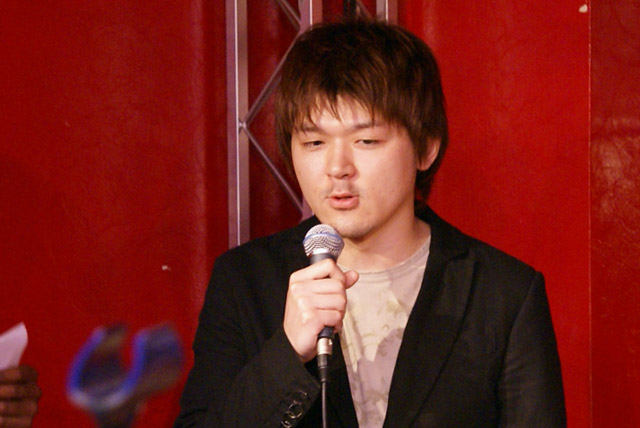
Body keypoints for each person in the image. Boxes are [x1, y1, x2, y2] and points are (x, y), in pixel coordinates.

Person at [174, 19, 566, 428]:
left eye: (366, 141)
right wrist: (288, 352)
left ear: (426, 148)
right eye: (314, 142)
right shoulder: (245, 282)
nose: (337, 167)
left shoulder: (502, 293)